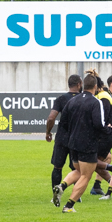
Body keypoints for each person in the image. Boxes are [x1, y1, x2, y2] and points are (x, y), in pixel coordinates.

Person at [54, 75, 105, 213]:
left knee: (78, 171)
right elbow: (98, 124)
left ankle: (61, 186)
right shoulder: (95, 102)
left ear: (83, 85)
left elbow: (63, 122)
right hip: (87, 143)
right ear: (95, 86)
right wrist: (109, 130)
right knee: (86, 176)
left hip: (72, 143)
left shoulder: (72, 101)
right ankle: (69, 206)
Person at [46, 75, 82, 205]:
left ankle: (55, 195)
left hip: (62, 137)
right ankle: (76, 195)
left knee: (57, 167)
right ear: (79, 84)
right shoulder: (83, 99)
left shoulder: (61, 99)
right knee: (77, 169)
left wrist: (48, 132)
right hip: (76, 137)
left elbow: (51, 118)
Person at [90, 74, 112, 196]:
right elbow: (102, 120)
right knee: (104, 159)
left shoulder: (105, 97)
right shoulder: (105, 97)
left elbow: (103, 120)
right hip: (106, 135)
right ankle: (99, 185)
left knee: (91, 162)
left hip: (106, 135)